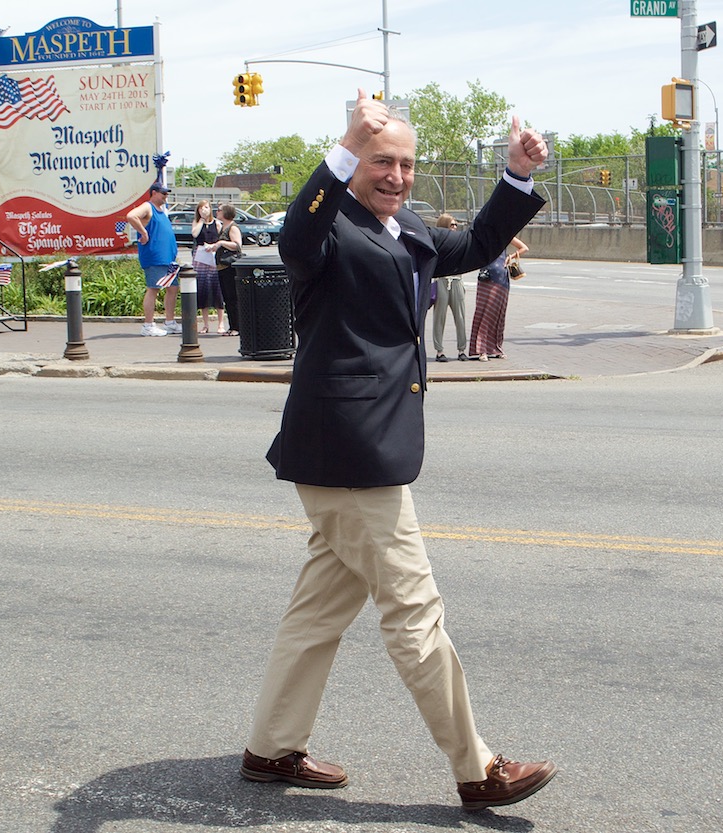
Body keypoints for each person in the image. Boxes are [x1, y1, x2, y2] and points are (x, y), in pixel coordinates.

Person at [241, 89, 557, 812]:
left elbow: (475, 246)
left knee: (319, 609)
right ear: (355, 161)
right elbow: (295, 234)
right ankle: (478, 768)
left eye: (406, 164)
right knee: (415, 611)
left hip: (359, 448)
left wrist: (515, 175)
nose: (397, 174)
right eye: (383, 161)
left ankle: (270, 746)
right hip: (350, 454)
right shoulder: (328, 230)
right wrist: (348, 141)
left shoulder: (403, 227)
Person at [125, 182, 180, 337]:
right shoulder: (148, 207)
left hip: (168, 258)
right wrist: (144, 233)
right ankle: (148, 325)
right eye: (163, 193)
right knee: (153, 288)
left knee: (173, 288)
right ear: (154, 193)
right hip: (155, 257)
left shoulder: (163, 211)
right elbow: (131, 216)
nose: (166, 196)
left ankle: (170, 322)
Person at [467, 236, 529, 362]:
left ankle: (496, 348)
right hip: (487, 278)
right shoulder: (483, 235)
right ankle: (481, 349)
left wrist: (510, 257)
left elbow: (524, 248)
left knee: (499, 314)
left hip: (502, 279)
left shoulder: (506, 235)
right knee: (484, 313)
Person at [431, 213, 469, 361]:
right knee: (439, 317)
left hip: (457, 280)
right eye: (451, 225)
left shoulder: (460, 240)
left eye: (455, 225)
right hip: (442, 280)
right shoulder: (437, 241)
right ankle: (439, 351)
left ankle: (461, 350)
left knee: (460, 316)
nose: (454, 227)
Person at [190, 200, 224, 334]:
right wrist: (201, 221)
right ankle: (205, 324)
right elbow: (194, 234)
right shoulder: (197, 223)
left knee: (217, 289)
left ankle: (221, 323)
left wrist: (215, 246)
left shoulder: (216, 224)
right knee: (202, 290)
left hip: (213, 258)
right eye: (200, 208)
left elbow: (221, 239)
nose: (203, 210)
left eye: (206, 207)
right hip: (200, 258)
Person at [212, 204, 243, 336]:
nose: (217, 212)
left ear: (225, 213)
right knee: (227, 298)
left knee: (233, 297)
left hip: (230, 267)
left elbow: (237, 245)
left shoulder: (233, 227)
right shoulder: (222, 227)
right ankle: (232, 326)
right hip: (221, 267)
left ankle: (237, 327)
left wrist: (221, 243)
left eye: (219, 210)